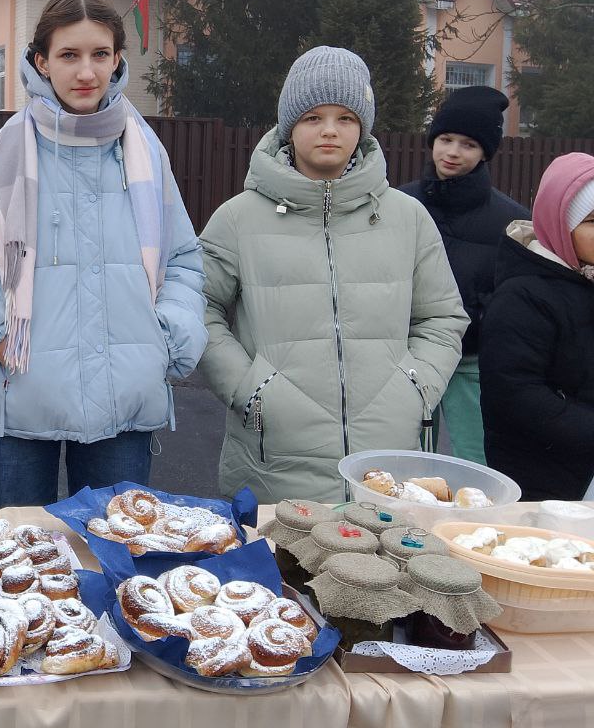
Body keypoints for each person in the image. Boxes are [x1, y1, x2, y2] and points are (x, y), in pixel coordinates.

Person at [0, 0, 207, 513]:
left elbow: (184, 260)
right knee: (11, 568)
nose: (86, 71)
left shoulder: (145, 153)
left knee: (113, 565)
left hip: (122, 411)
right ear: (41, 61)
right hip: (17, 400)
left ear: (117, 58)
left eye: (100, 54)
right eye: (69, 55)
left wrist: (168, 337)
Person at [198, 46, 467, 505]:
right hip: (274, 462)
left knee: (380, 576)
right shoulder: (237, 218)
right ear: (289, 127)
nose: (329, 130)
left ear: (362, 127)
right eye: (312, 117)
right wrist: (251, 389)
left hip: (386, 467)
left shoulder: (408, 218)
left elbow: (442, 318)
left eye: (345, 117)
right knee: (277, 575)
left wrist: (416, 387)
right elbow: (199, 309)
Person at [398, 86, 528, 464]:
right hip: (411, 354)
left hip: (471, 358)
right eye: (445, 139)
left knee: (479, 459)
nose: (453, 152)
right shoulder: (401, 205)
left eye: (468, 144)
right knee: (409, 462)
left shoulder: (510, 220)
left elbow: (515, 296)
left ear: (485, 152)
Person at [480, 153, 594, 501]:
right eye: (592, 221)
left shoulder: (586, 277)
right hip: (541, 481)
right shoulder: (523, 295)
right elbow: (515, 394)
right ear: (561, 224)